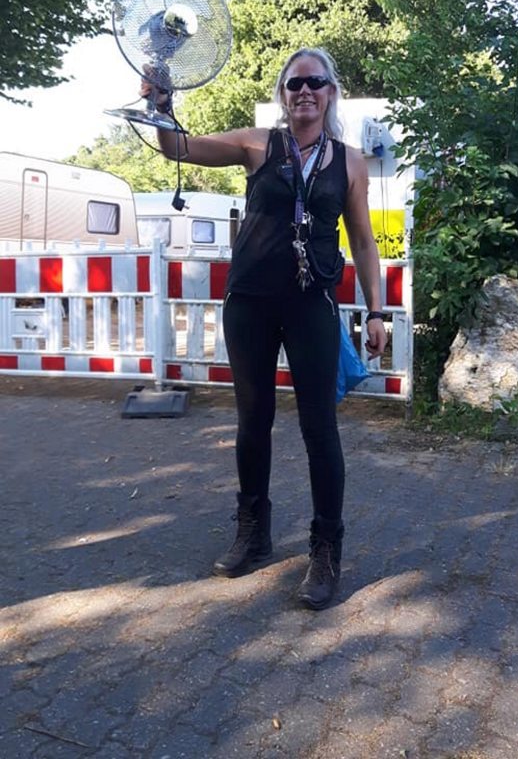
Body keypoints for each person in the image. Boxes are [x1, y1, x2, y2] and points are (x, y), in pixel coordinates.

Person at [141, 47, 387, 609]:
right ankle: (253, 532)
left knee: (319, 428)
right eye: (294, 84)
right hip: (249, 302)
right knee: (253, 421)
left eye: (315, 82)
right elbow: (179, 147)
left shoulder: (350, 163)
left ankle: (326, 549)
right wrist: (161, 105)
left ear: (331, 92)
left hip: (310, 304)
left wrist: (376, 310)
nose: (305, 92)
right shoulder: (258, 144)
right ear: (283, 94)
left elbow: (363, 240)